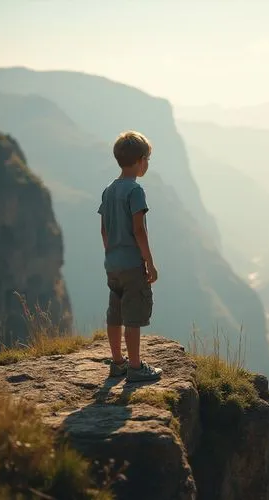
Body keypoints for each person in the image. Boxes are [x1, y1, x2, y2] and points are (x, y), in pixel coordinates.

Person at [98, 130, 162, 382]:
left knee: (115, 313)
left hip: (112, 263)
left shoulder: (109, 190)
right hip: (132, 264)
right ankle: (135, 367)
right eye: (147, 158)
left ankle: (117, 362)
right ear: (139, 160)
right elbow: (138, 230)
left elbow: (104, 229)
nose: (147, 163)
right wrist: (149, 262)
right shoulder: (135, 191)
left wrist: (111, 253)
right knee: (133, 315)